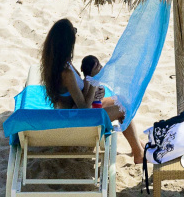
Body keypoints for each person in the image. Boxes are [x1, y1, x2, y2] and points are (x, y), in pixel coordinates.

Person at [42, 19, 145, 164]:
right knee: (124, 109)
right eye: (74, 33)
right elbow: (83, 108)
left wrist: (92, 88)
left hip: (76, 112)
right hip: (78, 120)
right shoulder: (66, 73)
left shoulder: (58, 63)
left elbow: (78, 98)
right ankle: (139, 153)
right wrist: (94, 81)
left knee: (120, 100)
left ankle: (139, 147)